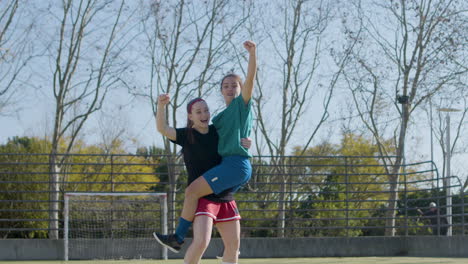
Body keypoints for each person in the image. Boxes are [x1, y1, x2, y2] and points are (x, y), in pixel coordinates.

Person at [155, 40, 256, 264]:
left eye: (234, 85)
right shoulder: (216, 123)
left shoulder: (241, 105)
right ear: (191, 116)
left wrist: (252, 53)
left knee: (191, 191)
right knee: (214, 243)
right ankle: (179, 237)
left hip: (235, 166)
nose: (230, 88)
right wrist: (161, 105)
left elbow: (250, 80)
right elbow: (162, 129)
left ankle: (178, 236)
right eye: (226, 86)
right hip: (221, 181)